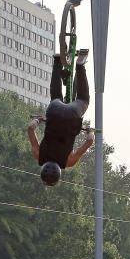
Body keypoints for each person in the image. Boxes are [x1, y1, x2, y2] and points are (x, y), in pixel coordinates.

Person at [27, 49, 94, 186]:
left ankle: (80, 64)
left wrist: (90, 131)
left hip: (72, 115)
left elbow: (88, 142)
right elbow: (30, 129)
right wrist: (39, 119)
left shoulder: (69, 162)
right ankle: (57, 62)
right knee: (55, 97)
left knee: (83, 99)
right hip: (54, 112)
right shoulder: (38, 155)